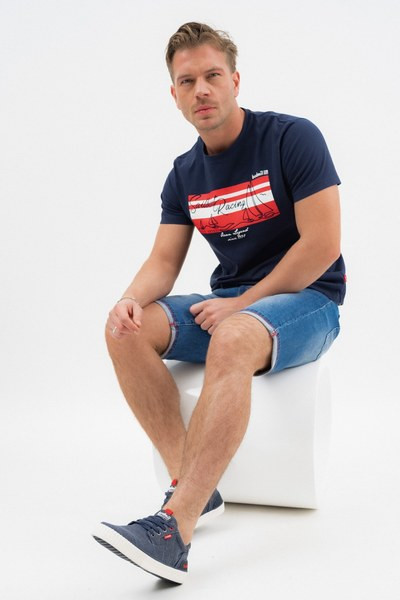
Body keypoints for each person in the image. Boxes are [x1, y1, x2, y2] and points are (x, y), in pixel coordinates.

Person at [92, 22, 346, 584]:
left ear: (235, 81)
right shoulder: (184, 174)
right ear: (175, 94)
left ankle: (173, 534)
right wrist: (128, 301)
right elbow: (164, 261)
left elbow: (323, 245)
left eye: (212, 76)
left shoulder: (291, 138)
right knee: (125, 330)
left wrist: (242, 305)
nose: (201, 89)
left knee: (232, 333)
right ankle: (192, 489)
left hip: (309, 300)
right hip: (233, 303)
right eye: (188, 81)